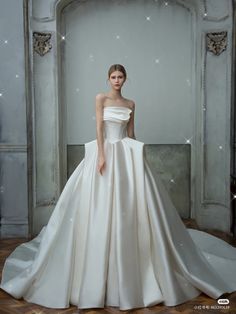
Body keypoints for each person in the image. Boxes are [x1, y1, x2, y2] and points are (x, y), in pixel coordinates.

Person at [1, 64, 236, 311]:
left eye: (120, 77)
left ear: (125, 79)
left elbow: (131, 133)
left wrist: (139, 160)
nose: (116, 80)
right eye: (113, 76)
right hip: (104, 154)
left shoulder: (131, 104)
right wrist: (101, 156)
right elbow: (99, 130)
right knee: (99, 206)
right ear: (108, 78)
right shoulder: (100, 98)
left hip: (125, 155)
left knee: (133, 206)